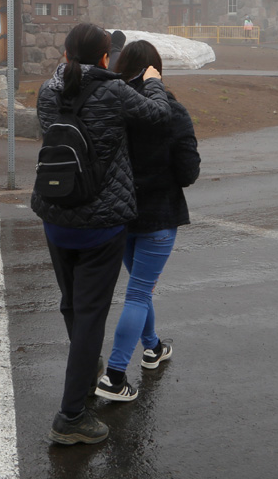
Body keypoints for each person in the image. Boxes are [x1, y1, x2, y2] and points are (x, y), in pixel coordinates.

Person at [31, 23, 172, 445]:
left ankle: (85, 363)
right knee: (92, 315)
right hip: (101, 222)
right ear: (106, 57)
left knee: (72, 304)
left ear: (65, 52)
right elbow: (158, 115)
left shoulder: (47, 90)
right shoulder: (113, 91)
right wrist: (154, 82)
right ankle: (72, 416)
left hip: (55, 213)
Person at [95, 40, 200, 402]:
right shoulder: (173, 110)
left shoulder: (114, 108)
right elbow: (188, 172)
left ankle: (153, 347)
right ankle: (114, 376)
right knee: (139, 293)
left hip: (120, 214)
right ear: (155, 70)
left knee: (140, 287)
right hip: (159, 215)